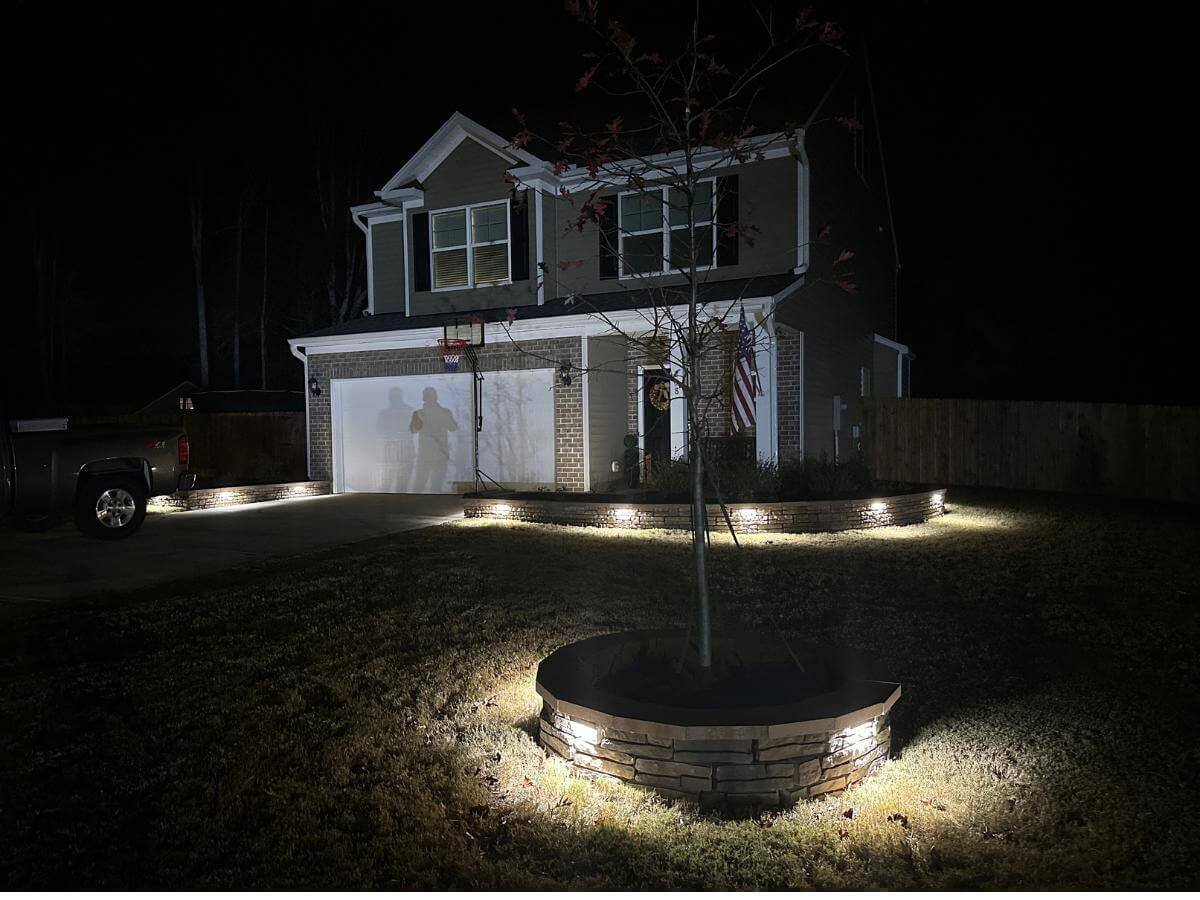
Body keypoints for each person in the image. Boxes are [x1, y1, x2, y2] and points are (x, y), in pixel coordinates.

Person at [410, 386, 458, 492]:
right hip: (435, 454)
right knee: (431, 485)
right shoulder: (422, 413)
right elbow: (453, 427)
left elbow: (413, 430)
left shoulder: (419, 413)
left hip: (432, 454)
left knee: (421, 485)